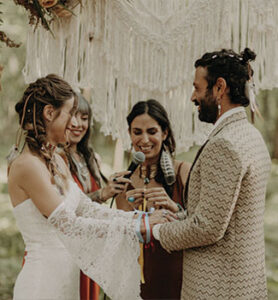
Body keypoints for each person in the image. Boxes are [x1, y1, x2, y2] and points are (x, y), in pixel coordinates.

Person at [8, 74, 174, 300]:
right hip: (43, 285)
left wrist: (138, 218)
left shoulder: (56, 160)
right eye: (70, 114)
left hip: (69, 282)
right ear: (49, 113)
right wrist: (138, 226)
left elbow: (86, 208)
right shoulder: (27, 165)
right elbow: (70, 225)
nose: (75, 124)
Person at [151, 48, 271, 299]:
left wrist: (156, 231)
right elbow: (230, 215)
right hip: (243, 285)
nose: (192, 97)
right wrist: (180, 215)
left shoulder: (224, 144)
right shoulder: (251, 136)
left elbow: (207, 228)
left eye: (197, 88)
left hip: (218, 288)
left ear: (219, 87)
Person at [116, 99, 191, 299]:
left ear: (164, 133)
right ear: (130, 134)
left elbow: (202, 223)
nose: (144, 140)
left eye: (152, 131)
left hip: (177, 276)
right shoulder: (123, 182)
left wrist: (174, 207)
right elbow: (120, 235)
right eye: (137, 132)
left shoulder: (184, 172)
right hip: (136, 279)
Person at [66, 94, 129, 300]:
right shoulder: (55, 160)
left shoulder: (91, 157)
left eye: (84, 118)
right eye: (72, 116)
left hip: (90, 246)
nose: (78, 124)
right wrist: (101, 194)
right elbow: (67, 207)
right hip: (66, 248)